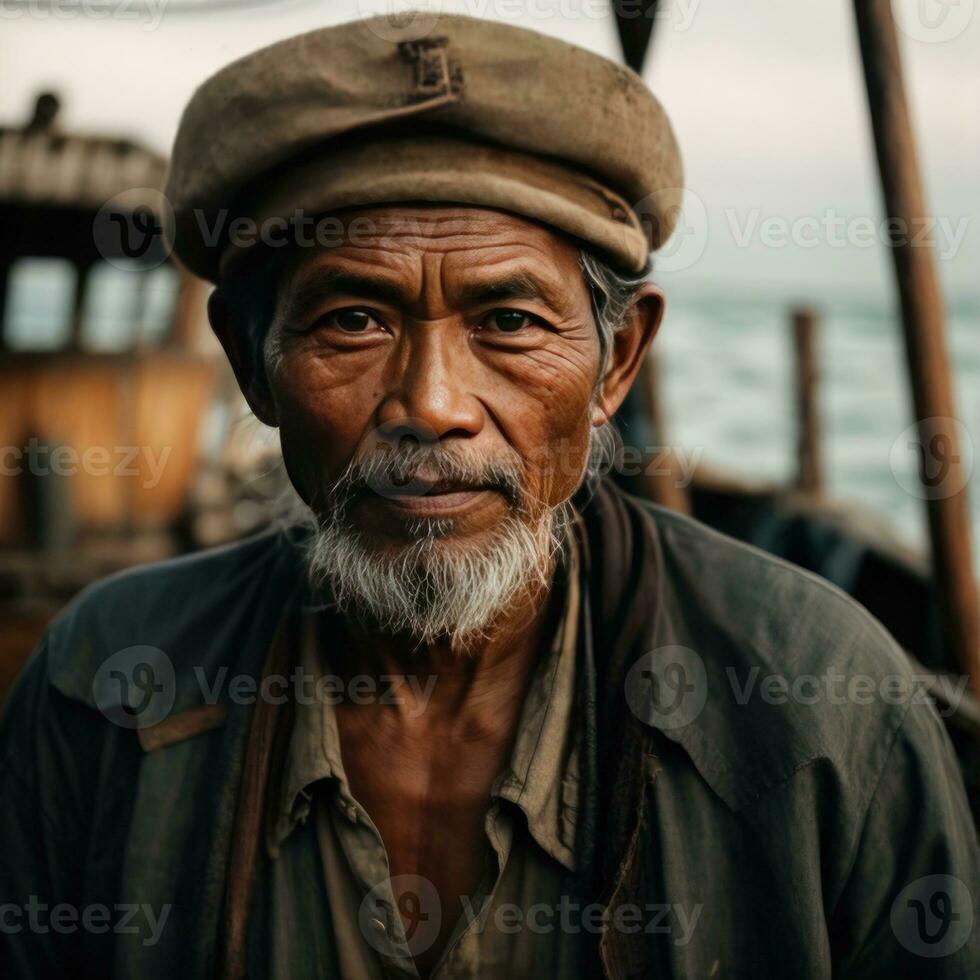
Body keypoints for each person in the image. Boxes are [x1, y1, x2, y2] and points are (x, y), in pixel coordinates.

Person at [1, 14, 976, 979]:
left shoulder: (818, 709)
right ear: (252, 366)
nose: (430, 406)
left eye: (507, 319)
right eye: (351, 319)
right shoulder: (104, 686)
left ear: (615, 363)